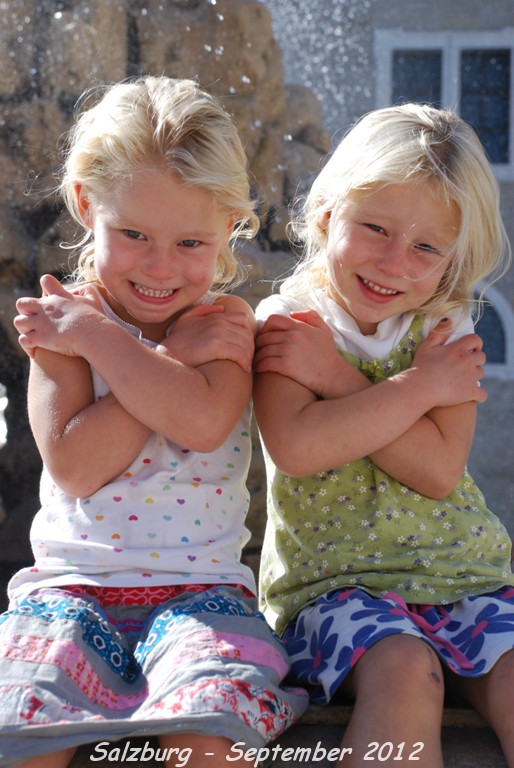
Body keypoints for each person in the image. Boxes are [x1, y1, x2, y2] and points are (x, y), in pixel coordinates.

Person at [2, 75, 308, 768]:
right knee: (24, 729)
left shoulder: (225, 322)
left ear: (229, 227)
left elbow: (200, 422)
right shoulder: (63, 324)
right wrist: (156, 353)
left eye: (191, 243)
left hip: (202, 598)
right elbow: (76, 465)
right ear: (86, 203)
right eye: (133, 233)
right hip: (71, 594)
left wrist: (106, 344)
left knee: (209, 732)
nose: (160, 266)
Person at [253, 102, 514, 767]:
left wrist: (341, 382)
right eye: (375, 228)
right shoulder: (292, 324)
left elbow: (438, 471)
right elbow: (299, 447)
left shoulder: (446, 332)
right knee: (404, 672)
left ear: (452, 262)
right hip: (334, 589)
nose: (395, 261)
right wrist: (416, 389)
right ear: (326, 215)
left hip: (465, 576)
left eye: (426, 248)